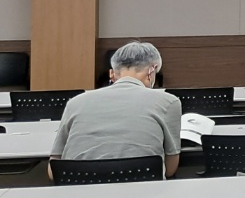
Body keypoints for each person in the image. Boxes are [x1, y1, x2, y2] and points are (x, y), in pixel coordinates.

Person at [48, 41, 180, 178]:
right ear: (152, 70)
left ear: (112, 73)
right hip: (142, 192)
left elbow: (53, 170)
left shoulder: (75, 102)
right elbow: (170, 169)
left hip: (79, 192)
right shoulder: (169, 102)